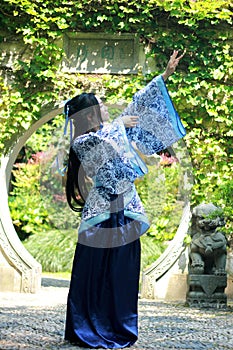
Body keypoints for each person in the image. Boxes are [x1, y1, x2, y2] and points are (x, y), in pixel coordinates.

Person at [64, 50, 186, 348]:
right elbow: (107, 141)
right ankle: (87, 328)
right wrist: (121, 124)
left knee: (122, 275)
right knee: (95, 276)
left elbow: (138, 104)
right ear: (90, 114)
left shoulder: (113, 129)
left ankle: (119, 327)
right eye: (101, 108)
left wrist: (165, 76)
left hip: (126, 211)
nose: (106, 111)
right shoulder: (84, 141)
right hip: (100, 217)